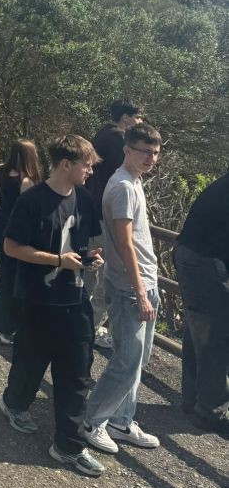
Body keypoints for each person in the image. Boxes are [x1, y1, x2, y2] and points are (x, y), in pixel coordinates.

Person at [0, 135, 105, 477]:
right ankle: (14, 402)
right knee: (30, 364)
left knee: (77, 374)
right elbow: (12, 247)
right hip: (38, 300)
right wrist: (57, 260)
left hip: (76, 300)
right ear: (65, 164)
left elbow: (81, 244)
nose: (91, 171)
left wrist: (90, 258)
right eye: (86, 165)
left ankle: (69, 447)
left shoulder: (84, 199)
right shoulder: (32, 201)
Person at [81, 123, 162, 456]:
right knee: (126, 360)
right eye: (144, 152)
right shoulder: (123, 187)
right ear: (127, 150)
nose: (150, 158)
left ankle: (121, 419)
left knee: (138, 359)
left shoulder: (133, 181)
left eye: (155, 153)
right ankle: (92, 421)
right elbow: (125, 244)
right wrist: (141, 291)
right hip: (132, 286)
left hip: (144, 280)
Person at [174, 171, 229, 437]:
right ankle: (210, 410)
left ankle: (193, 399)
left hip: (191, 254)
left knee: (200, 329)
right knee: (217, 334)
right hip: (204, 261)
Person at [86, 101, 143, 349]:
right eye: (138, 117)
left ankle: (83, 325)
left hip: (95, 209)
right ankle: (90, 330)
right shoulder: (118, 137)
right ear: (126, 118)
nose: (140, 122)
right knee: (102, 274)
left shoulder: (103, 132)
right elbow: (127, 170)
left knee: (91, 271)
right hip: (106, 213)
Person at [0, 139, 41, 344]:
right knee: (11, 278)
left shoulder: (1, 170)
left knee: (6, 274)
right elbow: (29, 212)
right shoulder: (26, 181)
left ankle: (2, 324)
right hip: (15, 231)